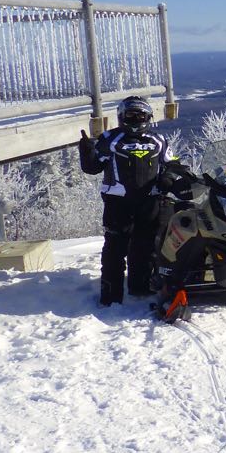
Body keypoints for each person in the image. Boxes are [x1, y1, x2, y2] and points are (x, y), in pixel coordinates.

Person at [79, 96, 171, 306]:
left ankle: (140, 287)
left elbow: (172, 163)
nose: (136, 119)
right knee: (114, 248)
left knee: (144, 246)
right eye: (131, 115)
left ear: (148, 117)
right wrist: (86, 151)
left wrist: (169, 177)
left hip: (149, 201)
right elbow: (92, 168)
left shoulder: (158, 140)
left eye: (141, 115)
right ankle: (111, 294)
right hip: (117, 202)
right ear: (121, 117)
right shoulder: (109, 139)